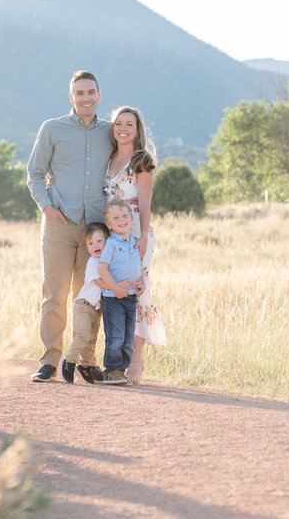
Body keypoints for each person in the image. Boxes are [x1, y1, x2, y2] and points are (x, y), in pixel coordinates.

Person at [27, 71, 111, 383]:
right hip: (60, 224)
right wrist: (47, 207)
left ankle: (86, 360)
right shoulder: (52, 129)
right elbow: (34, 172)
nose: (86, 98)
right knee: (55, 293)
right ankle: (49, 360)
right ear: (71, 97)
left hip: (96, 229)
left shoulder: (110, 131)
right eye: (80, 93)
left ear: (99, 95)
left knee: (90, 295)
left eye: (91, 92)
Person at [103, 105, 166, 384]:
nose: (123, 128)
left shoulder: (142, 160)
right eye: (119, 123)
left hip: (136, 231)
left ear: (138, 129)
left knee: (138, 291)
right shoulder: (109, 159)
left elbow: (145, 203)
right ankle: (117, 357)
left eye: (129, 124)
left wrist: (141, 238)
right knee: (116, 293)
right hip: (112, 234)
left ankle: (136, 361)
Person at [59, 222, 131, 384]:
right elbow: (99, 282)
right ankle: (68, 361)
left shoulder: (109, 263)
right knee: (83, 335)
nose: (95, 245)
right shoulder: (93, 262)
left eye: (99, 241)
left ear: (108, 241)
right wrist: (117, 287)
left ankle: (87, 365)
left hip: (97, 308)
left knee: (92, 339)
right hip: (84, 305)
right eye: (90, 243)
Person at [96, 199, 142, 385]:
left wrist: (141, 283)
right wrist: (116, 289)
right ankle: (111, 370)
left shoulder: (135, 242)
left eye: (125, 216)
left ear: (131, 218)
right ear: (109, 224)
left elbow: (137, 267)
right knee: (116, 335)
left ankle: (120, 371)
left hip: (131, 297)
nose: (122, 220)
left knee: (128, 337)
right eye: (116, 217)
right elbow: (102, 270)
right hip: (113, 298)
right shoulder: (111, 244)